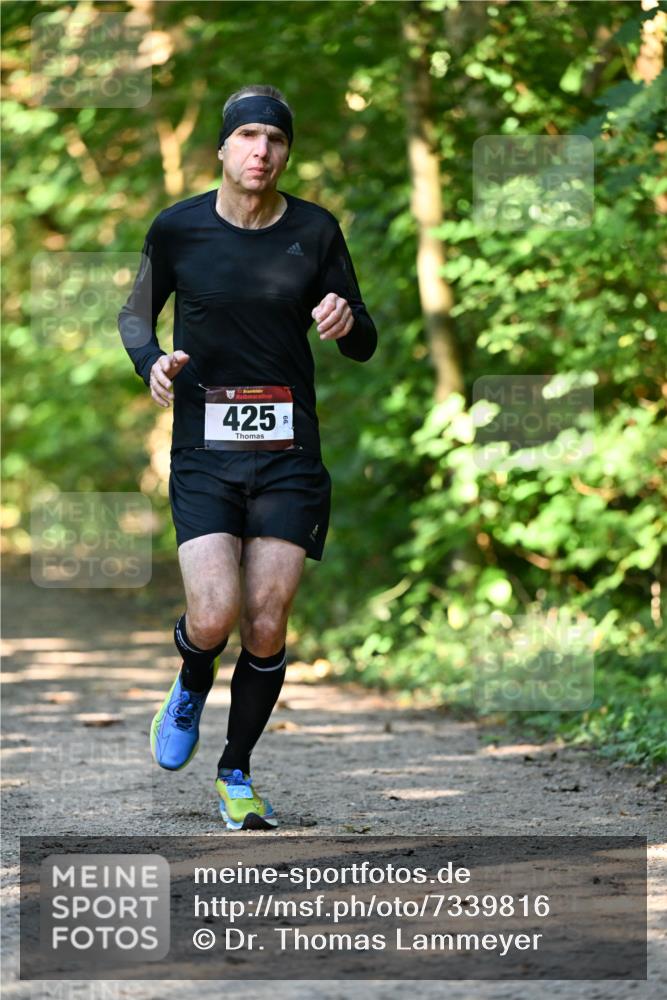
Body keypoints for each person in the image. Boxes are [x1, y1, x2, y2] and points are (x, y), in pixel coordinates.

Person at [118, 84, 377, 831]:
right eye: (249, 137)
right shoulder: (178, 229)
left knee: (265, 621)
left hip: (289, 452)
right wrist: (153, 364)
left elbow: (362, 341)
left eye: (276, 139)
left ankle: (235, 772)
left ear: (286, 152)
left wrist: (344, 317)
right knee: (214, 614)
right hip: (205, 448)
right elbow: (135, 313)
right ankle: (192, 675)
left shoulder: (316, 231)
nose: (262, 150)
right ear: (223, 149)